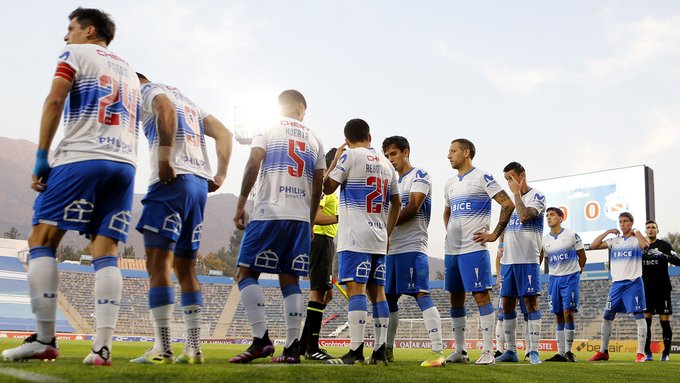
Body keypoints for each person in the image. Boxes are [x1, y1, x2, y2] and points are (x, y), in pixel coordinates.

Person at [1, 8, 140, 366]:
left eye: (70, 29)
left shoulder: (76, 53)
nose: (66, 36)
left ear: (89, 31)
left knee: (42, 240)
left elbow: (54, 100)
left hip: (82, 157)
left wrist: (41, 157)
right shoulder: (130, 71)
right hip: (125, 165)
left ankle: (45, 339)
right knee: (106, 251)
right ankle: (102, 349)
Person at [129, 74, 233, 364]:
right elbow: (225, 133)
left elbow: (163, 108)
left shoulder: (146, 91)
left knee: (158, 264)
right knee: (186, 269)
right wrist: (221, 173)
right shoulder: (188, 100)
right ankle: (194, 348)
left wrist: (164, 158)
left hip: (171, 181)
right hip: (199, 185)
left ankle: (161, 347)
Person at [230, 90, 325, 364]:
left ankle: (261, 340)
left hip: (269, 211)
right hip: (299, 217)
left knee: (245, 272)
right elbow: (318, 183)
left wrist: (241, 203)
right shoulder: (315, 137)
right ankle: (292, 349)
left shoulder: (268, 127)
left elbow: (254, 161)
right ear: (299, 106)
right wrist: (309, 219)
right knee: (290, 278)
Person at [324, 119, 401, 365]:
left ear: (346, 140)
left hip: (355, 236)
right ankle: (379, 352)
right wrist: (387, 233)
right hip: (379, 237)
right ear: (370, 135)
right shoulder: (387, 164)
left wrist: (336, 159)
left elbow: (327, 187)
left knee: (356, 289)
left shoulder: (350, 157)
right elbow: (397, 203)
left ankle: (355, 351)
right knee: (378, 293)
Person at [443, 139, 515, 366]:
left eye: (453, 151)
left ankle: (487, 351)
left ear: (467, 152)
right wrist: (452, 233)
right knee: (455, 297)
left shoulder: (482, 177)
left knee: (481, 296)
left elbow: (508, 204)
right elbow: (447, 212)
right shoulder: (450, 184)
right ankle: (460, 351)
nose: (449, 155)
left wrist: (494, 234)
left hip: (474, 248)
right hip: (452, 250)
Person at [381, 136, 445, 367]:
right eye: (387, 156)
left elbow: (413, 207)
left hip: (412, 245)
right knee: (388, 298)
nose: (391, 159)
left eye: (394, 154)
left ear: (405, 152)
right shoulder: (391, 182)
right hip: (391, 249)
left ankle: (438, 352)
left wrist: (383, 226)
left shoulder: (420, 175)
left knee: (421, 294)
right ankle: (387, 350)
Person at [496, 162, 546, 365]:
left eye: (511, 177)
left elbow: (525, 217)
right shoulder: (507, 203)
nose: (509, 182)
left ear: (522, 176)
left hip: (527, 259)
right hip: (509, 261)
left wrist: (516, 194)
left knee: (530, 303)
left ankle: (533, 351)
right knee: (507, 304)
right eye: (506, 179)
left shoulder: (537, 196)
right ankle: (510, 350)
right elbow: (502, 230)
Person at [588, 212, 649, 363]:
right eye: (620, 221)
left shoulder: (636, 239)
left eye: (625, 221)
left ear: (631, 222)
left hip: (633, 282)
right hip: (616, 284)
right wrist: (607, 232)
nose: (622, 224)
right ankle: (603, 351)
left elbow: (645, 246)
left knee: (639, 316)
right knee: (607, 316)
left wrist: (638, 232)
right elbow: (594, 245)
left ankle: (641, 353)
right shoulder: (615, 240)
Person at [298, 148, 339, 361]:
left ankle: (304, 343)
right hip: (320, 240)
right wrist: (342, 217)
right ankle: (311, 346)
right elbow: (317, 216)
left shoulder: (330, 187)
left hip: (327, 242)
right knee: (318, 293)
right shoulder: (325, 185)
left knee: (326, 293)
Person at [541, 207, 586, 363]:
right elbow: (545, 259)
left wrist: (576, 272)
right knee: (558, 314)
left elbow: (582, 256)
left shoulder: (571, 235)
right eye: (547, 215)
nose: (548, 218)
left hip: (570, 278)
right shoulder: (545, 240)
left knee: (568, 313)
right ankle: (560, 353)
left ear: (561, 218)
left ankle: (569, 351)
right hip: (554, 279)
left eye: (552, 215)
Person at [642, 220, 680, 361]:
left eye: (653, 227)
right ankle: (648, 353)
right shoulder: (641, 247)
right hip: (646, 290)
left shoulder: (664, 245)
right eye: (648, 228)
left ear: (657, 230)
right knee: (646, 323)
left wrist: (665, 256)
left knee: (664, 321)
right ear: (645, 231)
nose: (650, 230)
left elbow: (678, 260)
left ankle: (666, 353)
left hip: (662, 289)